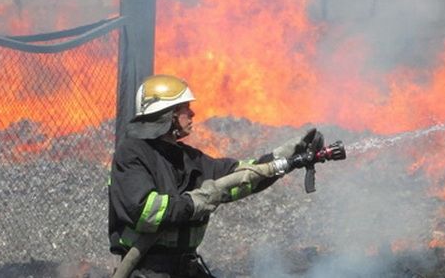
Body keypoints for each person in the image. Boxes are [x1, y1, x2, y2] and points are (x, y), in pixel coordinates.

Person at [108, 74, 317, 277]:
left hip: (185, 266)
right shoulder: (132, 153)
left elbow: (242, 176)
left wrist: (289, 154)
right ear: (169, 115)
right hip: (148, 269)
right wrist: (196, 202)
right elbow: (144, 211)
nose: (192, 114)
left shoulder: (189, 158)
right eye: (185, 109)